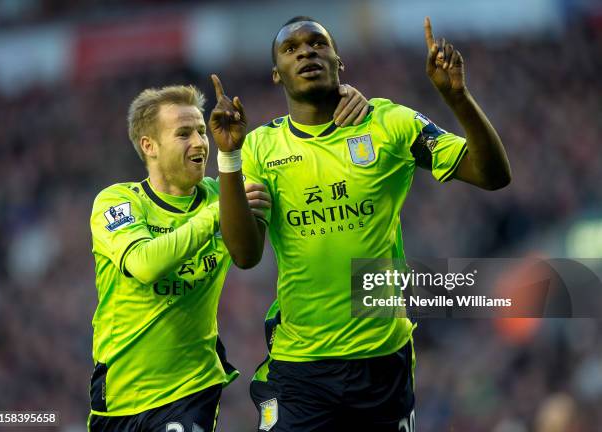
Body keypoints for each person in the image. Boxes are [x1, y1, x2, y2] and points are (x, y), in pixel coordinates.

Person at [209, 15, 511, 432]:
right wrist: (228, 159)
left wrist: (457, 98)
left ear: (339, 60)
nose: (306, 53)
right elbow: (244, 256)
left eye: (317, 44)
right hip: (300, 365)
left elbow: (492, 175)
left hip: (382, 360)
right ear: (276, 75)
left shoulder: (389, 124)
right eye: (291, 49)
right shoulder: (260, 147)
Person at [88, 83, 367, 431]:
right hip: (118, 395)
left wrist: (339, 103)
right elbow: (145, 265)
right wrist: (218, 213)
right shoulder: (118, 202)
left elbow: (295, 159)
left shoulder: (225, 195)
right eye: (183, 133)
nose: (199, 142)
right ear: (150, 146)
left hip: (191, 389)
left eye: (202, 131)